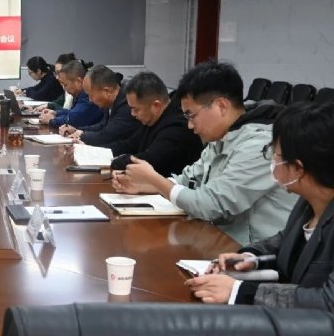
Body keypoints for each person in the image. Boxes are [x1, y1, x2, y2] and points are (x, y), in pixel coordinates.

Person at [113, 60, 295, 245]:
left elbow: (211, 205)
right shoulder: (223, 136)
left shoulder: (260, 145)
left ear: (221, 106)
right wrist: (144, 185)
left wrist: (154, 179)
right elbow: (188, 179)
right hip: (218, 240)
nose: (190, 125)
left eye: (192, 115)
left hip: (252, 251)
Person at [186, 101, 334, 310]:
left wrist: (239, 292)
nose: (271, 160)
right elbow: (284, 242)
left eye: (275, 154)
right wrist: (251, 258)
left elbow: (327, 302)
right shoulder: (308, 202)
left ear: (298, 169)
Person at [107, 71, 203, 176]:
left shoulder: (178, 127)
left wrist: (117, 162)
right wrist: (101, 152)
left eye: (135, 109)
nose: (132, 114)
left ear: (156, 105)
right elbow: (130, 144)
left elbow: (151, 160)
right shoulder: (152, 119)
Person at [60, 64, 139, 146]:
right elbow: (103, 125)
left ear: (107, 91)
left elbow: (107, 136)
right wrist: (77, 130)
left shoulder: (127, 106)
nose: (90, 100)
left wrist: (82, 135)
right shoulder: (111, 102)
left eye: (91, 95)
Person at [40, 60, 103, 129]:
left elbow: (75, 119)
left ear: (78, 81)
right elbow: (73, 112)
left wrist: (52, 120)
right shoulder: (80, 94)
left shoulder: (88, 94)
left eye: (65, 85)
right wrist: (55, 113)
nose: (64, 88)